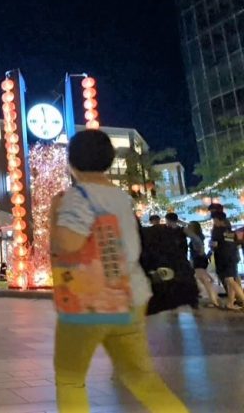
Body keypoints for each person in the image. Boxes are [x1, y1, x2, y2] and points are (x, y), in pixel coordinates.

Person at [50, 129, 187, 413]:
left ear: (72, 163)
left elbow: (68, 245)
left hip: (89, 303)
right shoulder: (121, 198)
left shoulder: (78, 197)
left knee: (70, 378)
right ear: (109, 161)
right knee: (141, 377)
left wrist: (54, 215)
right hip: (131, 298)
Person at [210, 211, 244, 310]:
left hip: (223, 258)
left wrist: (211, 245)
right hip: (232, 257)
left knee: (230, 280)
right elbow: (234, 244)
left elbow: (214, 245)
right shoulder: (230, 231)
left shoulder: (217, 231)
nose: (214, 222)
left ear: (217, 220)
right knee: (230, 280)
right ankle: (230, 303)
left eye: (214, 220)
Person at [185, 221, 220, 308]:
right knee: (203, 279)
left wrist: (198, 254)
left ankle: (214, 301)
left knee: (205, 281)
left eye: (189, 226)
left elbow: (199, 249)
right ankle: (214, 298)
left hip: (198, 260)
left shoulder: (195, 237)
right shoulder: (200, 236)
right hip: (201, 260)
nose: (187, 228)